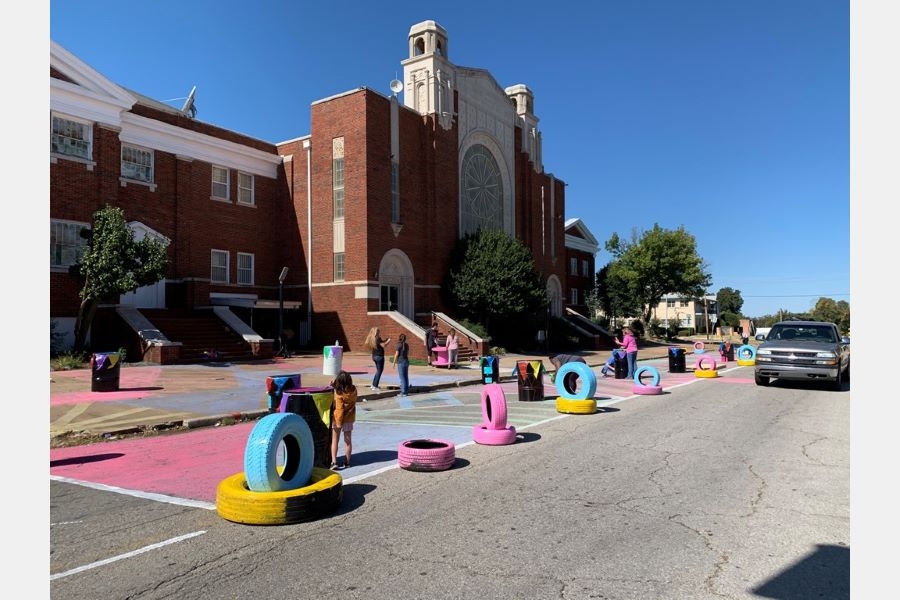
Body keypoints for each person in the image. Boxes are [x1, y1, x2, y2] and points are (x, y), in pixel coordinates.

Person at [329, 370, 357, 470]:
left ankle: (334, 461)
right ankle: (347, 461)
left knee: (335, 440)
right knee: (348, 441)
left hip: (338, 419)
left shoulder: (339, 393)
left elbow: (340, 409)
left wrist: (339, 423)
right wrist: (334, 386)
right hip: (349, 418)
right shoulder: (354, 390)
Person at [363, 327, 390, 391]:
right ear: (376, 331)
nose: (379, 331)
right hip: (379, 356)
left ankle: (373, 385)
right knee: (379, 371)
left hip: (374, 356)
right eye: (378, 330)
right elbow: (383, 345)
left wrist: (384, 340)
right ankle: (375, 386)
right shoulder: (378, 338)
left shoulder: (373, 338)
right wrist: (388, 341)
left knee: (378, 371)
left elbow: (380, 343)